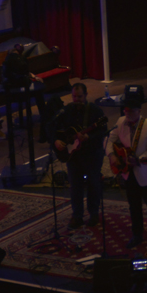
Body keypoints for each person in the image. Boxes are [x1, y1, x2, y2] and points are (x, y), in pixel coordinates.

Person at [108, 92, 147, 248]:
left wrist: (139, 159)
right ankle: (137, 234)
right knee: (133, 206)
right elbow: (109, 140)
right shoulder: (120, 122)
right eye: (126, 111)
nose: (128, 114)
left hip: (146, 173)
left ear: (139, 111)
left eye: (131, 111)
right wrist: (111, 155)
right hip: (129, 172)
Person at [53, 83, 108, 228]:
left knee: (93, 184)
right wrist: (56, 140)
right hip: (73, 155)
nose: (77, 100)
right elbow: (52, 126)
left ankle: (94, 214)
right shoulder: (67, 110)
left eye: (80, 97)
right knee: (75, 186)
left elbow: (103, 131)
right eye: (74, 97)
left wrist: (89, 137)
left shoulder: (95, 111)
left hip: (92, 153)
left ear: (86, 95)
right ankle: (77, 216)